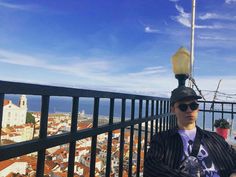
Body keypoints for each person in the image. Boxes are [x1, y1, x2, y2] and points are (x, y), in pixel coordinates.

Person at [144, 86, 236, 177]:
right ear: (173, 110)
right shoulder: (162, 139)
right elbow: (151, 168)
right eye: (183, 107)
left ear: (198, 109)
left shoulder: (215, 138)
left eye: (193, 106)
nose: (189, 110)